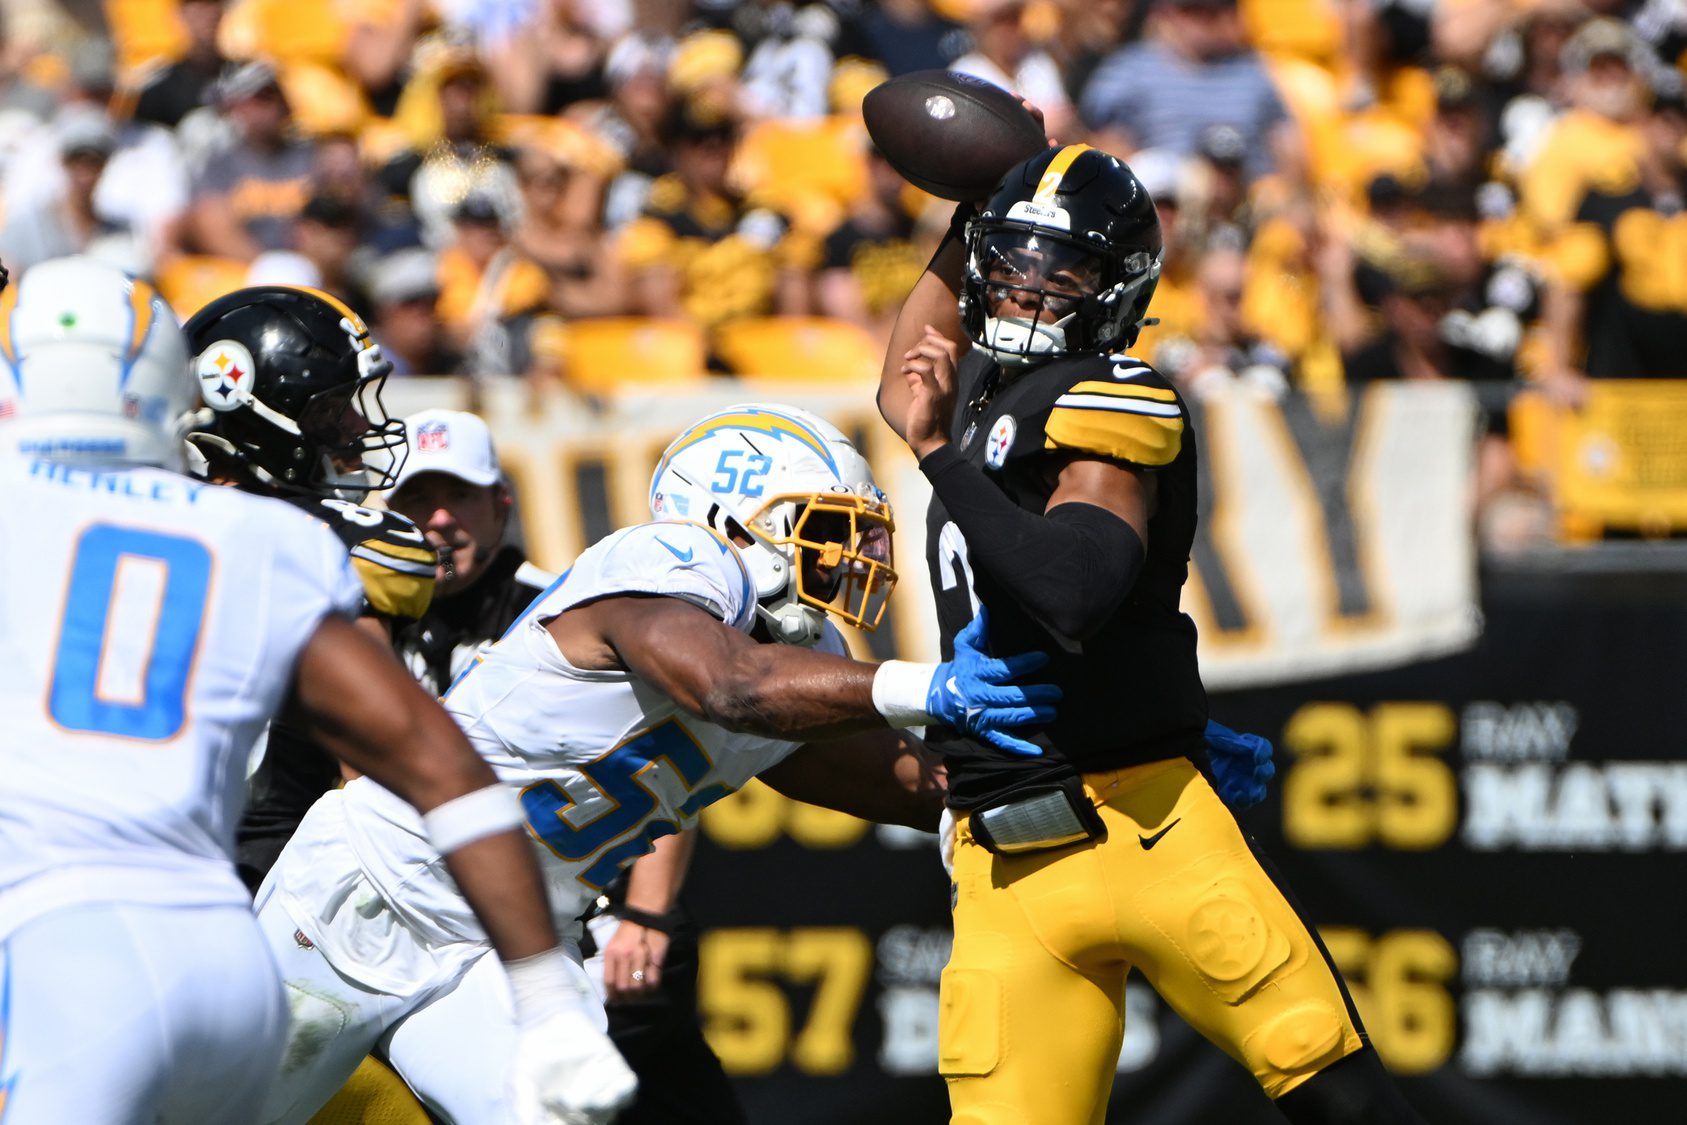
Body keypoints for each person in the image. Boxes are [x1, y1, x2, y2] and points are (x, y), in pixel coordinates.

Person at [253, 403, 1059, 1123]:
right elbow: (729, 686)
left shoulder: (800, 654)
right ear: (738, 520)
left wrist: (1079, 778)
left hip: (508, 941)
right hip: (367, 897)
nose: (852, 555)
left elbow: (911, 784)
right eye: (825, 524)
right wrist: (938, 685)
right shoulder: (668, 558)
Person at [0, 256, 631, 1125]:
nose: (355, 438)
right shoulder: (281, 541)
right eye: (332, 415)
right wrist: (546, 996)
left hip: (70, 939)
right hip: (228, 951)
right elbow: (443, 770)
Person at [876, 144, 1421, 1124]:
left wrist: (930, 457)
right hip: (1006, 866)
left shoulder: (1107, 391)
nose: (1025, 292)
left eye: (1061, 272)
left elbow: (1076, 589)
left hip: (1148, 823)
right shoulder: (983, 395)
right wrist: (973, 211)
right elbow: (899, 378)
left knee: (1339, 1096)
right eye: (1009, 265)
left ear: (1115, 286)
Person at [380, 408, 748, 1124]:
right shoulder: (370, 617)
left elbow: (670, 753)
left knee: (648, 1079)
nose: (440, 519)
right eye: (418, 499)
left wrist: (645, 911)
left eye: (458, 497)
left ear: (500, 505)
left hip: (577, 904)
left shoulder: (563, 607)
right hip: (426, 905)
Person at [176, 285, 439, 891]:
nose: (353, 428)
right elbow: (376, 772)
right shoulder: (331, 549)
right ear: (253, 412)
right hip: (276, 880)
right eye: (329, 411)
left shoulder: (138, 519)